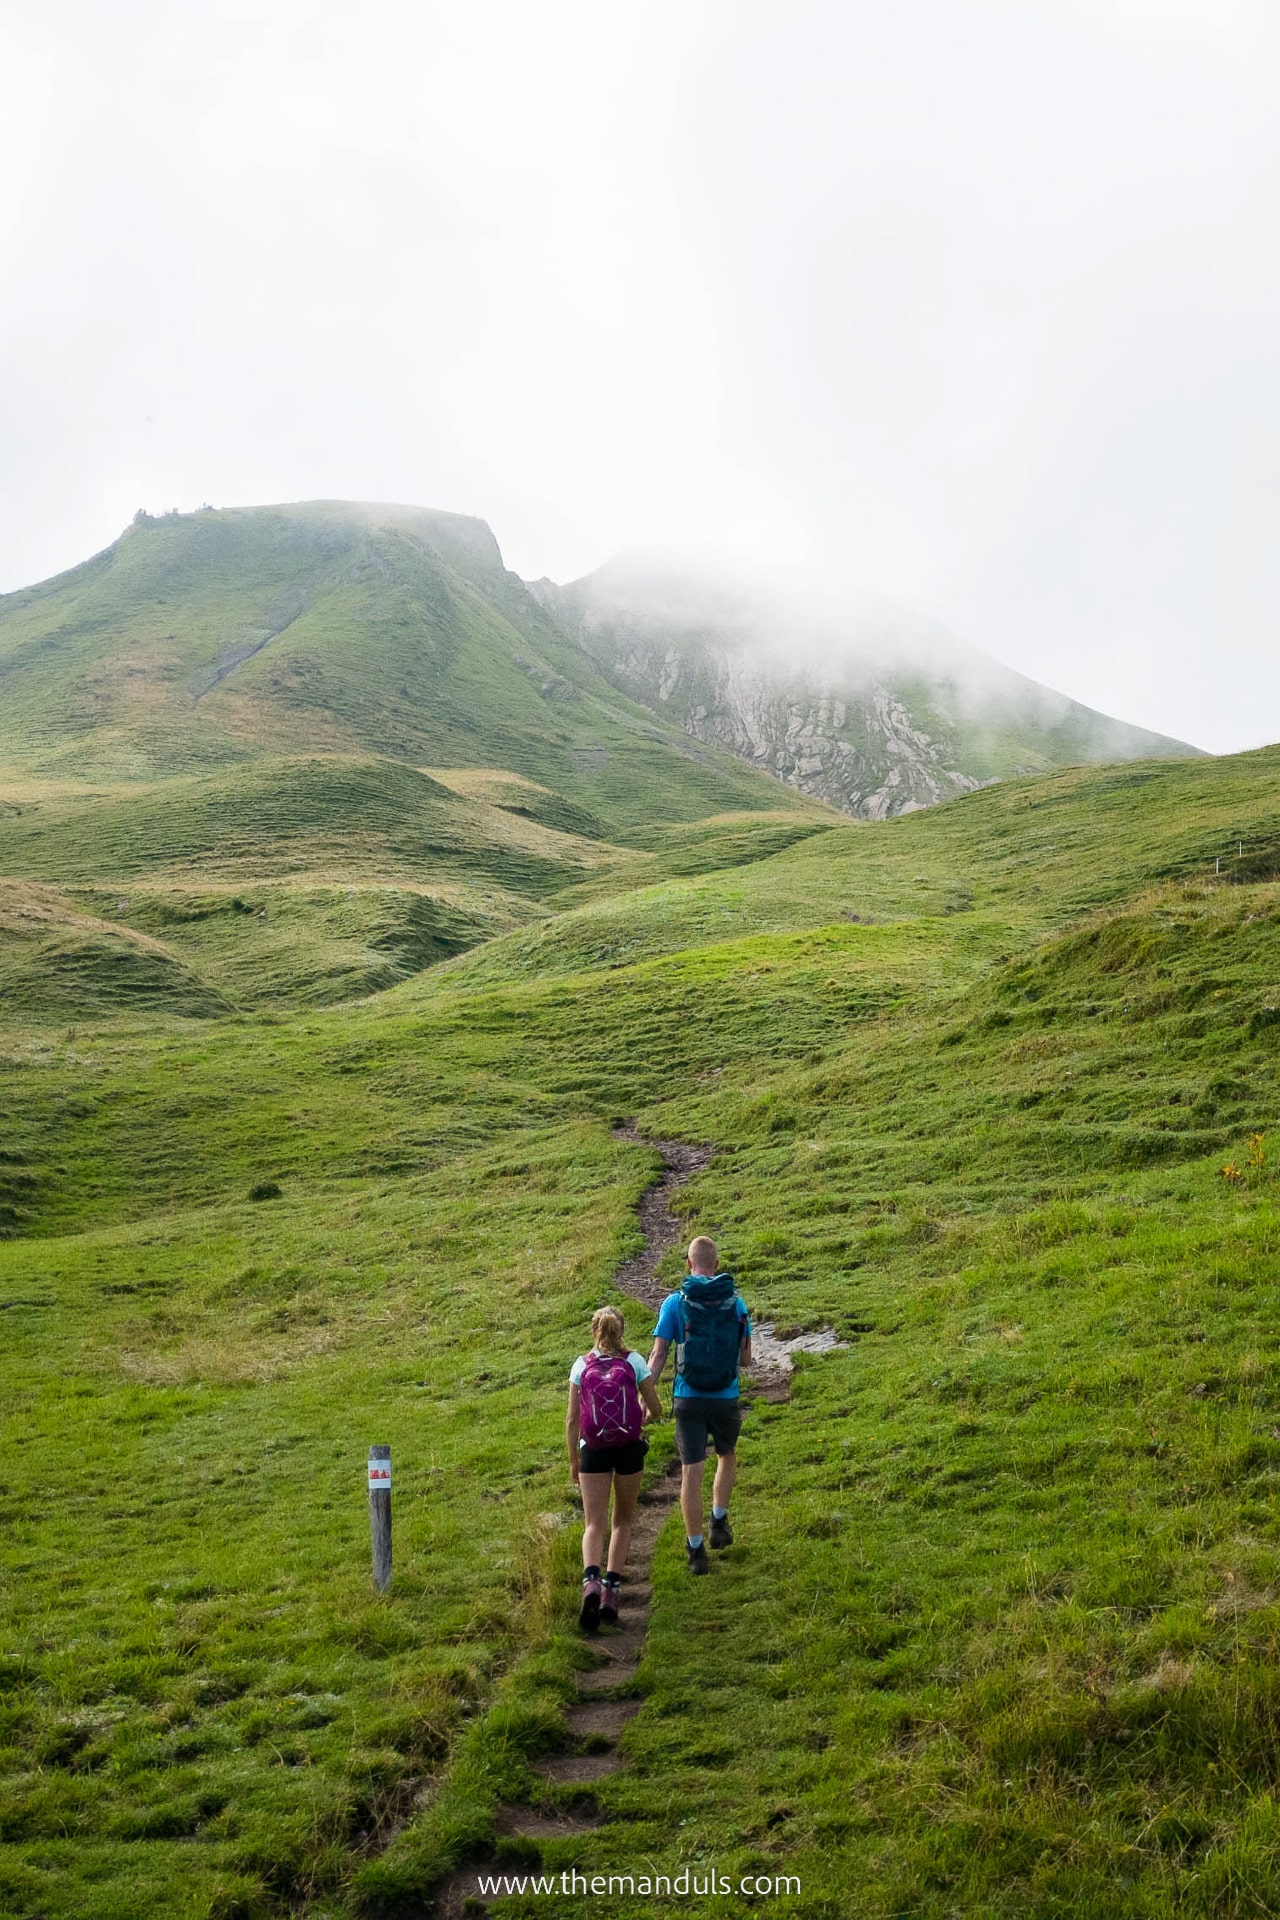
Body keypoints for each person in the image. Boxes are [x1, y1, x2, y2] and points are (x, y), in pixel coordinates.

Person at [647, 1236, 751, 1574]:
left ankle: (695, 1552)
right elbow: (747, 1359)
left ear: (689, 1265)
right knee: (726, 1454)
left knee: (691, 1473)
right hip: (725, 1395)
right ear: (716, 1265)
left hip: (688, 1397)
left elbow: (659, 1353)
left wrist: (644, 1396)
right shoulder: (736, 1304)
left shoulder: (675, 1303)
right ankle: (718, 1520)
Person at [567, 1306, 662, 1630]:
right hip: (628, 1449)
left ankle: (590, 1581)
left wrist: (573, 1461)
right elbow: (657, 1408)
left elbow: (571, 1421)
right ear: (621, 1330)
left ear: (594, 1331)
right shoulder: (634, 1362)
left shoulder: (581, 1365)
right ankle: (611, 1590)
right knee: (622, 1519)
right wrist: (641, 1415)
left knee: (593, 1523)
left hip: (592, 1450)